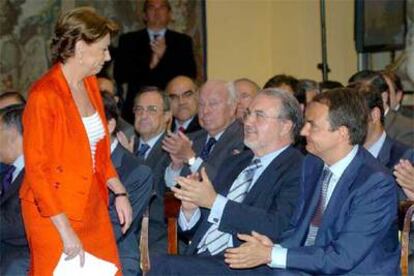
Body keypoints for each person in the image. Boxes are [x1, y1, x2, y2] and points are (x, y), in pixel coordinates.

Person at [224, 88, 400, 275]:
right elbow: (297, 230)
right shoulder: (312, 164)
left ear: (341, 133)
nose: (303, 131)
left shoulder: (375, 184)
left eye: (312, 125)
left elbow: (342, 257)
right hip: (312, 265)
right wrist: (275, 247)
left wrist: (272, 254)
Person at [20, 7, 132, 275]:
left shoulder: (91, 83)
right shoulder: (43, 95)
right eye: (103, 49)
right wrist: (65, 231)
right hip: (52, 212)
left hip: (91, 205)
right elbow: (37, 171)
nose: (107, 56)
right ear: (81, 48)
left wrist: (120, 192)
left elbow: (99, 152)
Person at [150, 88, 304, 275]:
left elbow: (277, 225)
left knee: (162, 265)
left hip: (243, 264)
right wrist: (191, 211)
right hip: (202, 258)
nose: (248, 122)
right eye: (248, 114)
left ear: (286, 125)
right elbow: (204, 223)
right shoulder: (236, 161)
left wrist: (214, 202)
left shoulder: (297, 168)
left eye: (259, 116)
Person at [114, 0, 197, 124]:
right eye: (152, 8)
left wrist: (164, 57)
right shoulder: (129, 40)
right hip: (138, 109)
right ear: (144, 14)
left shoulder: (182, 41)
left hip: (172, 109)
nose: (157, 12)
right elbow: (120, 74)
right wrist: (151, 64)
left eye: (162, 8)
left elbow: (190, 74)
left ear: (169, 14)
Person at [102, 92, 153, 275]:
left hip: (114, 253)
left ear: (110, 125)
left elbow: (114, 228)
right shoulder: (73, 159)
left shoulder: (137, 171)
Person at [120, 87, 172, 255]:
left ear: (167, 116)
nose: (143, 115)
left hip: (152, 231)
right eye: (139, 109)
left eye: (151, 109)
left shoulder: (174, 150)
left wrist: (129, 163)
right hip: (118, 225)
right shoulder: (124, 147)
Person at [163, 80, 245, 187]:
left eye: (213, 104)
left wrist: (191, 158)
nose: (205, 111)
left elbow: (225, 183)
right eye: (201, 104)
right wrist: (176, 166)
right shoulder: (191, 139)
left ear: (233, 107)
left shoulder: (243, 139)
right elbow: (169, 188)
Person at [349, 70, 414, 147]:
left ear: (384, 97)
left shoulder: (406, 128)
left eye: (364, 95)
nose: (356, 102)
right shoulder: (349, 125)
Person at [0, 105, 29, 276]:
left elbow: (22, 222)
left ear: (12, 133)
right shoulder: (8, 172)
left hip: (18, 260)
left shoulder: (37, 172)